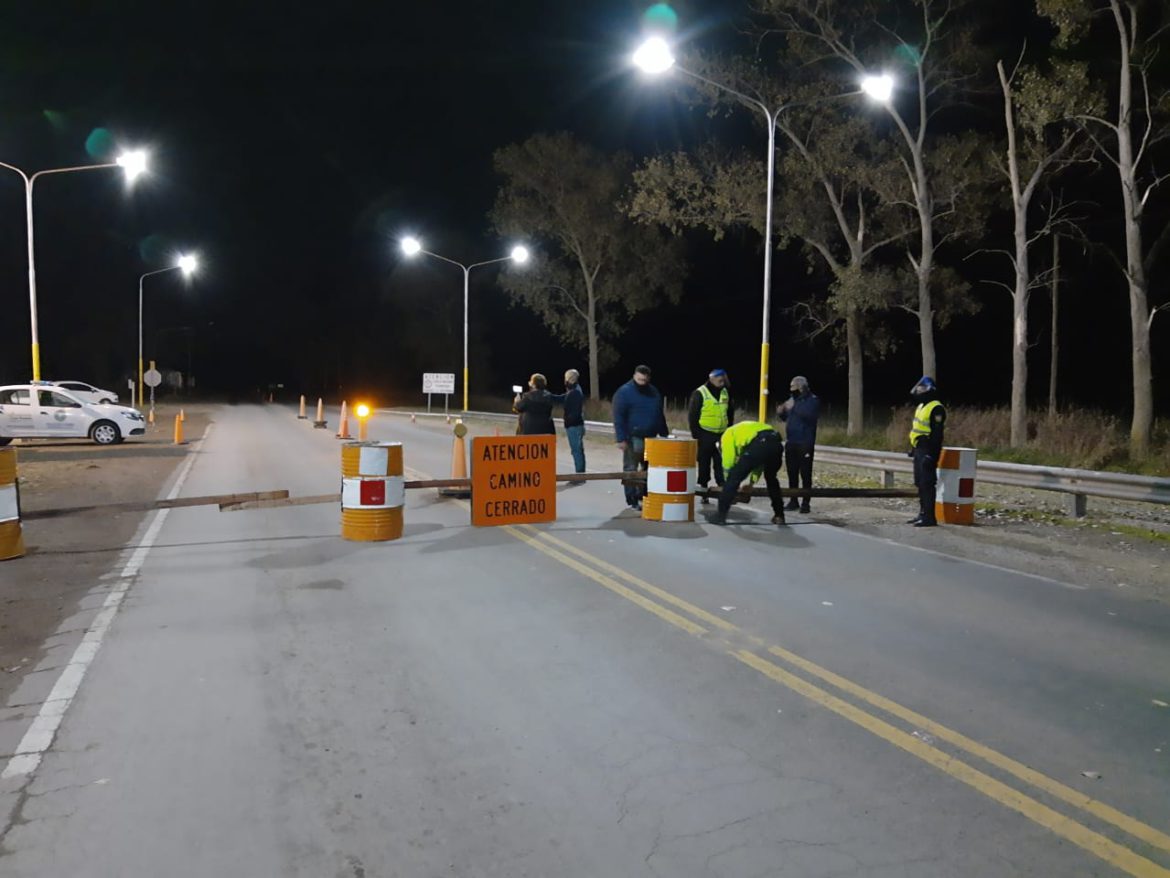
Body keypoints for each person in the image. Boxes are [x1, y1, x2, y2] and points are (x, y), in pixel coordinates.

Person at [612, 365, 668, 510]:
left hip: (652, 438)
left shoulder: (654, 392)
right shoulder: (624, 392)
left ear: (649, 378)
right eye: (639, 378)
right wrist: (620, 438)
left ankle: (644, 495)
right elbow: (619, 417)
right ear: (634, 376)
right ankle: (632, 499)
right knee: (631, 469)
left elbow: (659, 414)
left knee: (649, 469)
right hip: (632, 437)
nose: (642, 381)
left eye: (645, 378)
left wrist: (664, 434)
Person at [711, 421, 786, 526]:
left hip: (760, 442)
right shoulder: (744, 430)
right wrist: (751, 483)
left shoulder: (727, 435)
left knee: (733, 478)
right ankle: (779, 515)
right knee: (771, 479)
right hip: (776, 443)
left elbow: (728, 463)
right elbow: (759, 463)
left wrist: (729, 485)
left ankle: (720, 517)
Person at [688, 368, 734, 504]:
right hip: (705, 434)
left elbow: (730, 413)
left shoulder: (726, 392)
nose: (723, 382)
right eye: (720, 380)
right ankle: (703, 491)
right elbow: (693, 416)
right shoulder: (700, 393)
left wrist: (729, 430)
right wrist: (697, 435)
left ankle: (721, 491)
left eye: (724, 380)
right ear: (712, 378)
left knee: (721, 464)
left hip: (721, 434)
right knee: (704, 464)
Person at [777, 375, 820, 513]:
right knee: (792, 473)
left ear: (802, 388)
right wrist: (782, 411)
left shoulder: (812, 400)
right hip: (791, 441)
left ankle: (805, 503)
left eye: (794, 388)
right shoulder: (792, 400)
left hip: (805, 442)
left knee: (805, 474)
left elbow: (809, 415)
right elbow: (785, 418)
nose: (792, 390)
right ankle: (793, 500)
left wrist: (793, 406)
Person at [907, 375, 946, 527]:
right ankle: (922, 513)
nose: (919, 391)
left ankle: (930, 517)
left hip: (928, 449)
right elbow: (917, 429)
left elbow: (937, 435)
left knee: (927, 483)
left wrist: (932, 455)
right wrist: (913, 448)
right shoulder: (921, 406)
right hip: (919, 448)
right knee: (919, 482)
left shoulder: (936, 408)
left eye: (922, 389)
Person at [556, 369, 586, 483]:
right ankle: (581, 475)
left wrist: (568, 420)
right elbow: (564, 397)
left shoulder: (575, 392)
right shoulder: (574, 390)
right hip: (576, 424)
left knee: (576, 451)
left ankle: (579, 477)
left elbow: (575, 410)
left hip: (574, 425)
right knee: (578, 450)